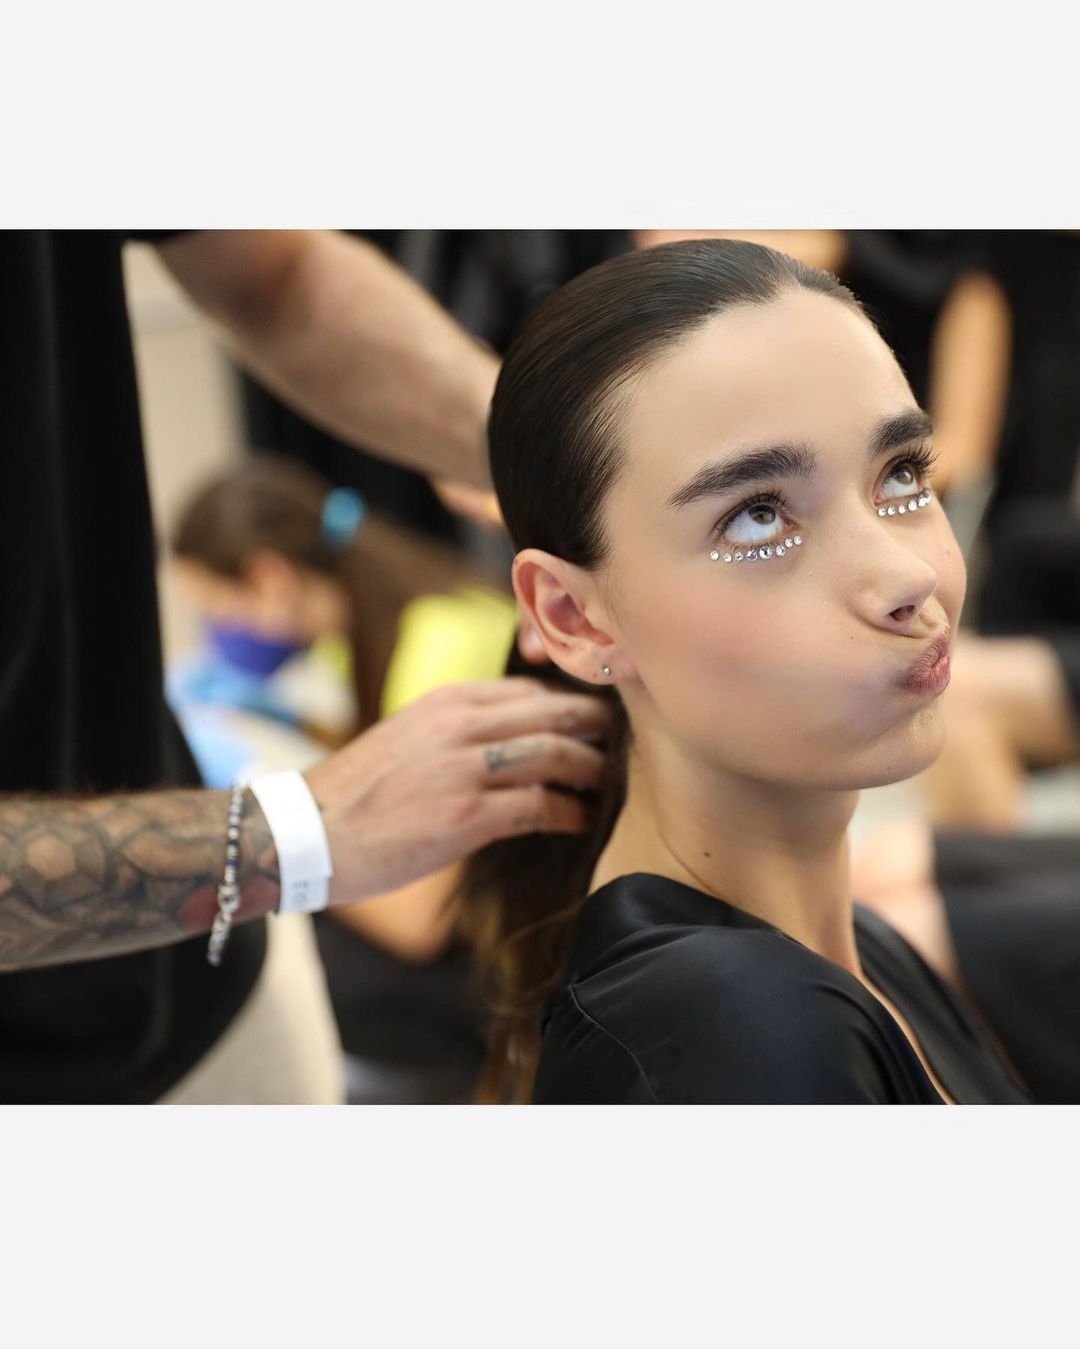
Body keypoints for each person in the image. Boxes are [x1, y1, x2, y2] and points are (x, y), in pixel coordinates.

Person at [0, 229, 608, 1104]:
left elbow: (280, 278)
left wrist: (552, 448)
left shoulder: (440, 635)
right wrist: (286, 824)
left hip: (213, 995)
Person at [457, 237, 1031, 1105]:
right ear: (572, 616)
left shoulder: (862, 955)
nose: (909, 576)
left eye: (902, 476)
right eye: (759, 518)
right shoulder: (740, 1028)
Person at [169, 455, 520, 1101]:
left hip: (506, 944)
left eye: (216, 608)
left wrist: (261, 811)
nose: (214, 634)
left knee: (264, 941)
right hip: (471, 923)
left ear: (270, 578)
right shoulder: (350, 639)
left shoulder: (446, 648)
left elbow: (419, 916)